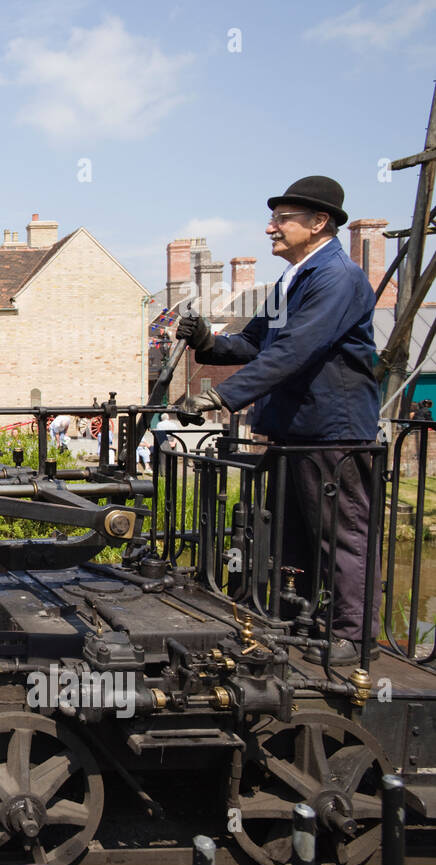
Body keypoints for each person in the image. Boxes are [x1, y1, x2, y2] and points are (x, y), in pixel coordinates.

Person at [176, 176, 380, 664]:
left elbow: (296, 350)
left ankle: (354, 634)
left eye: (282, 218)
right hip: (296, 427)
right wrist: (208, 341)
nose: (271, 228)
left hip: (332, 427)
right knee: (293, 530)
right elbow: (254, 343)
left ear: (318, 222)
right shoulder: (294, 279)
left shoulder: (337, 277)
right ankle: (296, 615)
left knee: (341, 532)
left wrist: (220, 398)